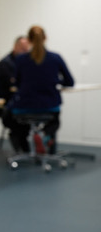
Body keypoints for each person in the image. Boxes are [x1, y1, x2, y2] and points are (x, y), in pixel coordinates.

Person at [9, 25, 74, 154]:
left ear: (29, 40)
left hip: (24, 107)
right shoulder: (56, 58)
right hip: (49, 106)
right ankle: (47, 136)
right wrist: (55, 81)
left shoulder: (21, 59)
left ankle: (25, 149)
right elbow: (70, 82)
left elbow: (16, 82)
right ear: (45, 38)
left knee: (12, 118)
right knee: (54, 121)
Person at [0, 35, 31, 152]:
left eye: (27, 48)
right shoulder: (6, 64)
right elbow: (14, 85)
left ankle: (25, 146)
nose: (25, 51)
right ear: (15, 47)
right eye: (23, 48)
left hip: (17, 101)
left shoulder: (24, 63)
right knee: (19, 118)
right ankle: (22, 145)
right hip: (3, 103)